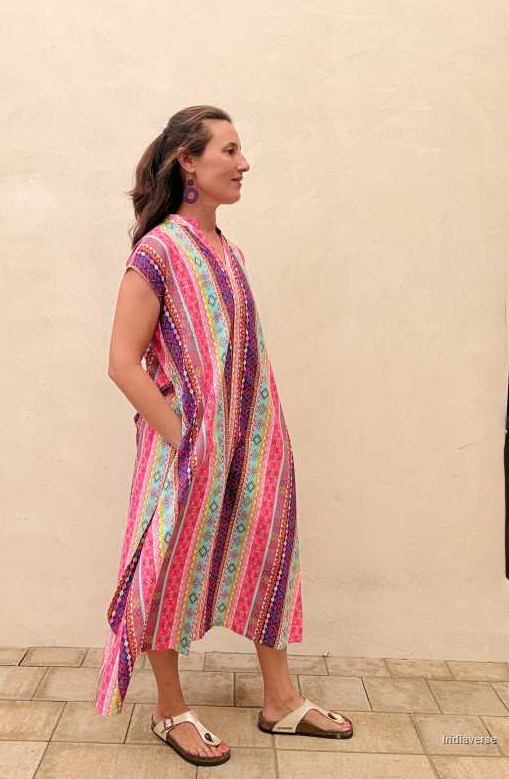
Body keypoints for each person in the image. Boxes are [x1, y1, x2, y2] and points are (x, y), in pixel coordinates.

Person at [94, 105, 353, 766]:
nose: (243, 163)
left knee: (267, 553)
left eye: (241, 152)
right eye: (229, 150)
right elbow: (122, 361)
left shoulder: (227, 251)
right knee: (166, 563)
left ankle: (279, 700)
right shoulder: (159, 251)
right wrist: (184, 440)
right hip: (185, 450)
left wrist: (255, 437)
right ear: (189, 161)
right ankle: (169, 707)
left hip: (253, 443)